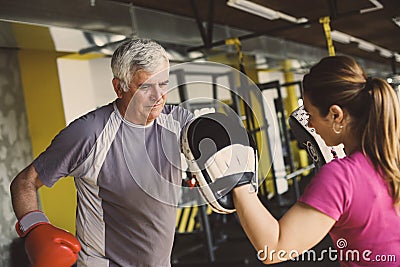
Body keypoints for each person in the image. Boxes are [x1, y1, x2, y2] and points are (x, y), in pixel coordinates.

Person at [10, 38, 194, 266]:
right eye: (145, 87)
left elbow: (213, 138)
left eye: (163, 84)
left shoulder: (177, 120)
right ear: (119, 88)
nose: (158, 97)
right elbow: (25, 182)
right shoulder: (89, 134)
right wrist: (35, 227)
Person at [232, 56, 400, 266]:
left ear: (335, 115)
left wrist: (238, 179)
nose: (309, 123)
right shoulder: (392, 158)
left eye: (310, 113)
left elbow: (274, 248)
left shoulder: (341, 177)